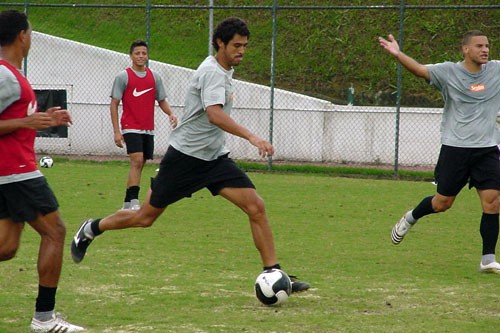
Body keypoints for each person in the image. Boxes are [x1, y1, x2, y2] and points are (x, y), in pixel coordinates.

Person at [71, 17, 310, 293]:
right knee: (144, 217)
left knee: (255, 206)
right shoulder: (212, 72)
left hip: (214, 159)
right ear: (220, 43)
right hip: (185, 159)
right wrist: (252, 137)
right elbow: (214, 114)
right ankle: (91, 228)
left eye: (245, 46)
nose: (241, 51)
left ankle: (274, 273)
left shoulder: (224, 69)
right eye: (236, 45)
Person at [379, 30, 500, 274]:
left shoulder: (496, 70)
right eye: (479, 46)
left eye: (487, 45)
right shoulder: (448, 72)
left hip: (487, 149)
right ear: (465, 49)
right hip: (455, 149)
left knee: (493, 201)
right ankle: (411, 217)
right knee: (443, 203)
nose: (485, 50)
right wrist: (398, 54)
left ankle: (488, 258)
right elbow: (419, 70)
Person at [0, 10, 85, 332]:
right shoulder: (5, 75)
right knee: (56, 231)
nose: (31, 39)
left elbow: (20, 121)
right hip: (16, 172)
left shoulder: (13, 75)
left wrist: (45, 118)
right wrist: (26, 121)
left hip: (11, 173)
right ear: (22, 36)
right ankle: (44, 318)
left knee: (6, 248)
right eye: (30, 33)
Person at [110, 39, 177, 210]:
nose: (141, 56)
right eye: (137, 53)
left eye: (144, 53)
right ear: (131, 56)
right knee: (137, 160)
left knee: (141, 162)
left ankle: (127, 202)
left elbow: (161, 100)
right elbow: (114, 104)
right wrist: (117, 132)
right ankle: (134, 201)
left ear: (147, 56)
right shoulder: (123, 77)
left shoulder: (155, 77)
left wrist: (170, 113)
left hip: (148, 128)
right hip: (130, 126)